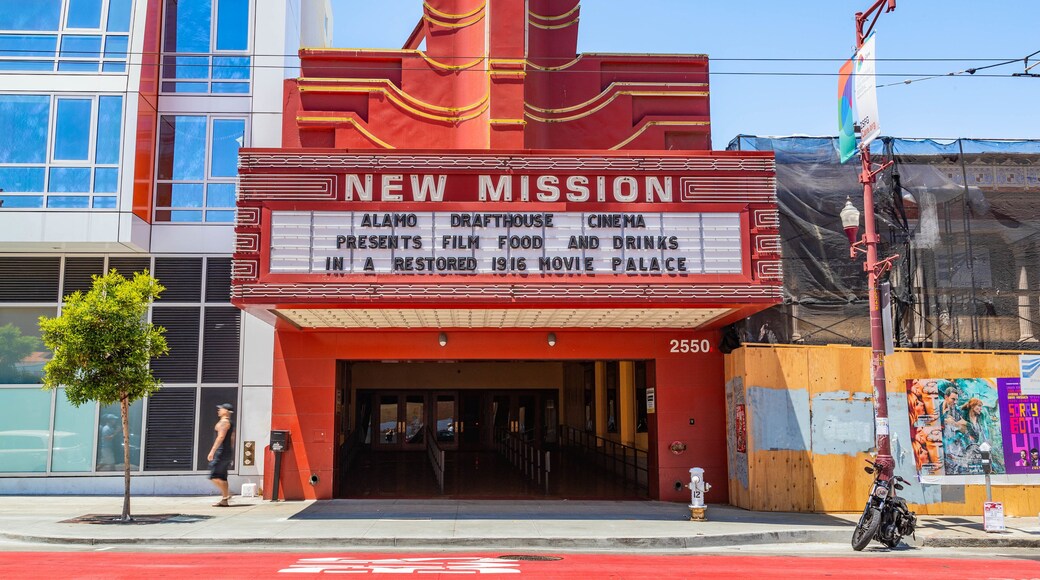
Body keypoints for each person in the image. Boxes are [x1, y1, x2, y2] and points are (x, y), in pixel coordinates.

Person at [207, 403, 236, 507]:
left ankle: (227, 494)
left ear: (226, 411)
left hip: (221, 452)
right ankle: (225, 500)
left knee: (213, 476)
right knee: (223, 477)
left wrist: (212, 451)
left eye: (221, 409)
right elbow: (232, 438)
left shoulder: (224, 422)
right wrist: (230, 453)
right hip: (226, 452)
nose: (218, 410)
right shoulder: (231, 423)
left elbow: (220, 437)